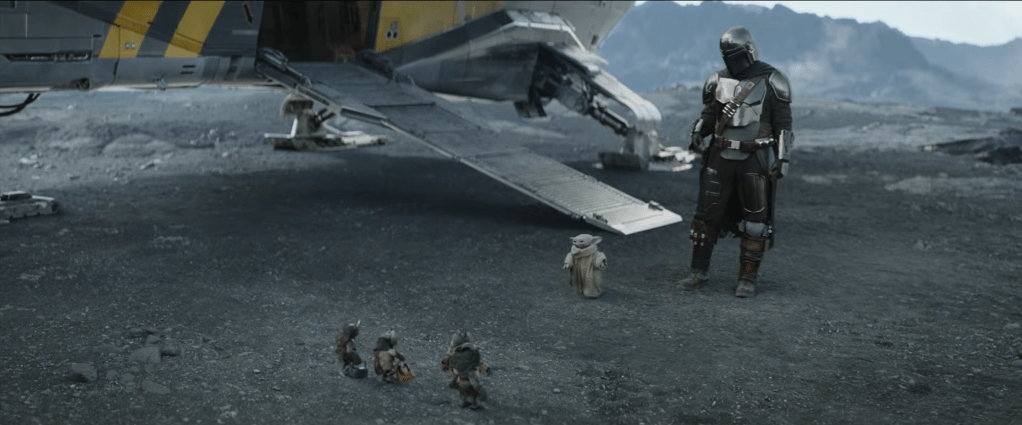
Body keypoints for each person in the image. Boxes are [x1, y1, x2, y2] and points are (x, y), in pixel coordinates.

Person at [680, 26, 794, 298]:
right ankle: (698, 271)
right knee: (705, 217)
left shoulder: (772, 80)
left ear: (749, 51)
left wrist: (783, 157)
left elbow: (783, 123)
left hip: (755, 158)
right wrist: (698, 132)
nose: (732, 61)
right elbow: (710, 114)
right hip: (719, 156)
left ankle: (747, 279)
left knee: (756, 222)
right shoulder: (717, 80)